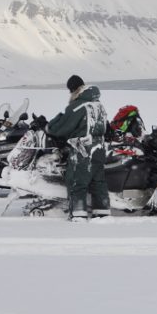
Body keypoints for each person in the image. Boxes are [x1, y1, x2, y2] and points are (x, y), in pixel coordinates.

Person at [46, 75, 111, 219]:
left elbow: (61, 129)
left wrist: (49, 125)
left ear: (74, 89)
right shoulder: (98, 105)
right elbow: (107, 127)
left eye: (70, 90)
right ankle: (102, 214)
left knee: (77, 181)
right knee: (98, 182)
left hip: (83, 150)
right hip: (99, 149)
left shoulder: (77, 106)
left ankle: (78, 215)